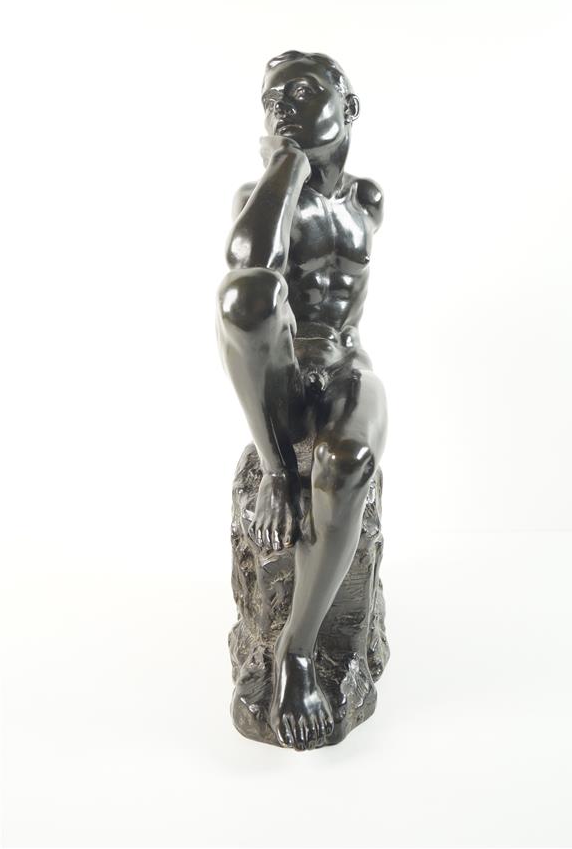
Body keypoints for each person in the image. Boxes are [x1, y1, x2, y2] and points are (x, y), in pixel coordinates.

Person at [216, 51, 387, 750]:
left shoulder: (368, 199)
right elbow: (247, 261)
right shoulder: (262, 196)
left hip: (345, 366)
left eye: (301, 94)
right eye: (271, 99)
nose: (281, 108)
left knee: (348, 463)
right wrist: (285, 164)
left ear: (348, 107)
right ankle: (277, 468)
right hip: (284, 376)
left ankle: (297, 649)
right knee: (246, 296)